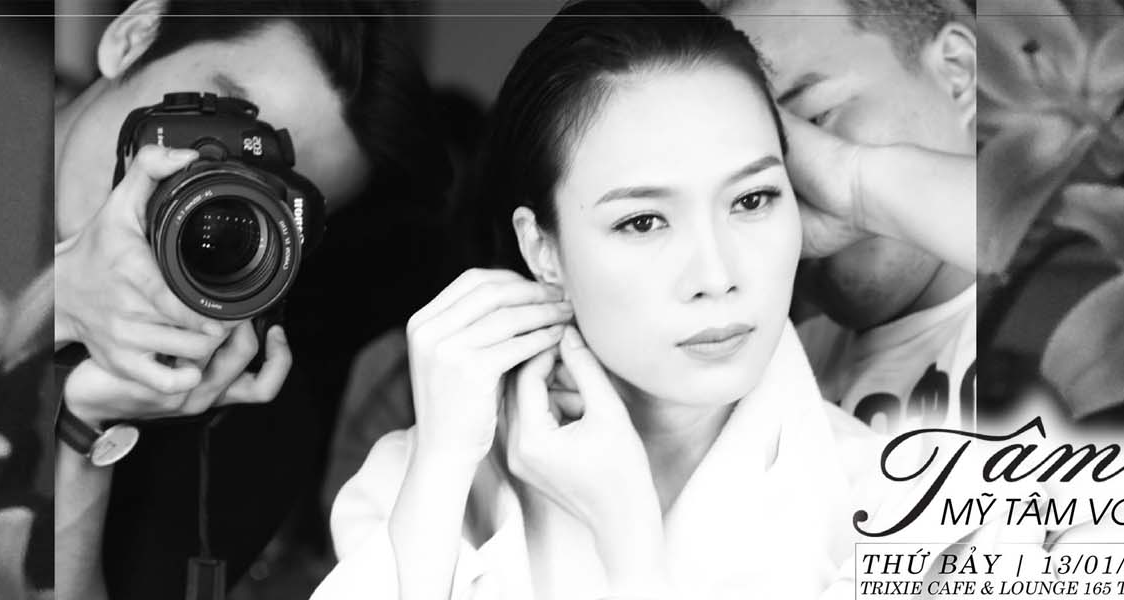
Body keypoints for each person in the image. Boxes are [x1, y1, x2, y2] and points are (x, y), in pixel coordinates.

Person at [314, 3, 1005, 598]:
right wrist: (440, 472)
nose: (716, 274)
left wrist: (632, 546)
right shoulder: (429, 480)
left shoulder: (909, 507)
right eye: (643, 221)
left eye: (753, 199)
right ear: (543, 249)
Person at [52, 1, 448, 598]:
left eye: (269, 190)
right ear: (133, 36)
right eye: (215, 127)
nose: (217, 195)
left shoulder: (239, 419)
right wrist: (53, 300)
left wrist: (83, 432)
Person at [717, 0, 979, 434]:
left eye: (814, 117)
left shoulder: (1063, 315)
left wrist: (858, 186)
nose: (790, 179)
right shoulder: (773, 378)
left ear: (958, 71)